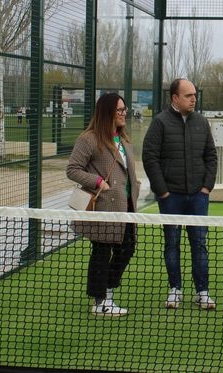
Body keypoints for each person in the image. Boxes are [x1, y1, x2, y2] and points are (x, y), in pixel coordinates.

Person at [142, 78, 218, 310]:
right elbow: (150, 157)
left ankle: (202, 292)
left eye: (194, 94)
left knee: (199, 243)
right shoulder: (160, 123)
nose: (194, 98)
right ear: (175, 98)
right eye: (188, 95)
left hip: (198, 197)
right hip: (170, 198)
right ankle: (175, 290)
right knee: (172, 243)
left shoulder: (202, 123)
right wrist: (163, 192)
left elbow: (211, 157)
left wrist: (206, 188)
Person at [66, 92, 139, 316]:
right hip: (104, 207)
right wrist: (98, 181)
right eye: (119, 110)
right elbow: (72, 169)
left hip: (126, 207)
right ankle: (100, 301)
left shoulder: (124, 140)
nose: (124, 113)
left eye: (124, 109)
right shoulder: (89, 139)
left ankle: (107, 292)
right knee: (102, 251)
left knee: (127, 248)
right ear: (107, 112)